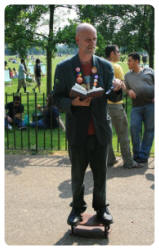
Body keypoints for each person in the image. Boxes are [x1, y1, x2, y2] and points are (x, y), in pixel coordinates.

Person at [53, 23, 121, 227]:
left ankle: (101, 208)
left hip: (100, 130)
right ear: (77, 40)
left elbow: (112, 95)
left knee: (101, 174)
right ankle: (76, 207)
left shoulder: (105, 66)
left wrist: (118, 87)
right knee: (77, 174)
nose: (92, 43)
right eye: (88, 39)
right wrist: (72, 102)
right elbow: (56, 97)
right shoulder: (64, 68)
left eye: (94, 39)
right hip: (77, 132)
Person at [105, 45, 139, 168]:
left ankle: (110, 159)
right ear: (113, 53)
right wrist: (128, 91)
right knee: (123, 134)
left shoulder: (100, 65)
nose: (119, 54)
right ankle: (128, 162)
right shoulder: (116, 66)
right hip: (115, 105)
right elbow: (122, 86)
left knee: (107, 134)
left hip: (103, 105)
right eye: (118, 52)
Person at [124, 52, 154, 166]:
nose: (128, 63)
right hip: (136, 106)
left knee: (149, 130)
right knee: (134, 128)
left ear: (137, 61)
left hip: (151, 105)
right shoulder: (127, 75)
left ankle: (143, 156)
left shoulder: (150, 71)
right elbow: (125, 87)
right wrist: (128, 91)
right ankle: (136, 155)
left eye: (129, 61)